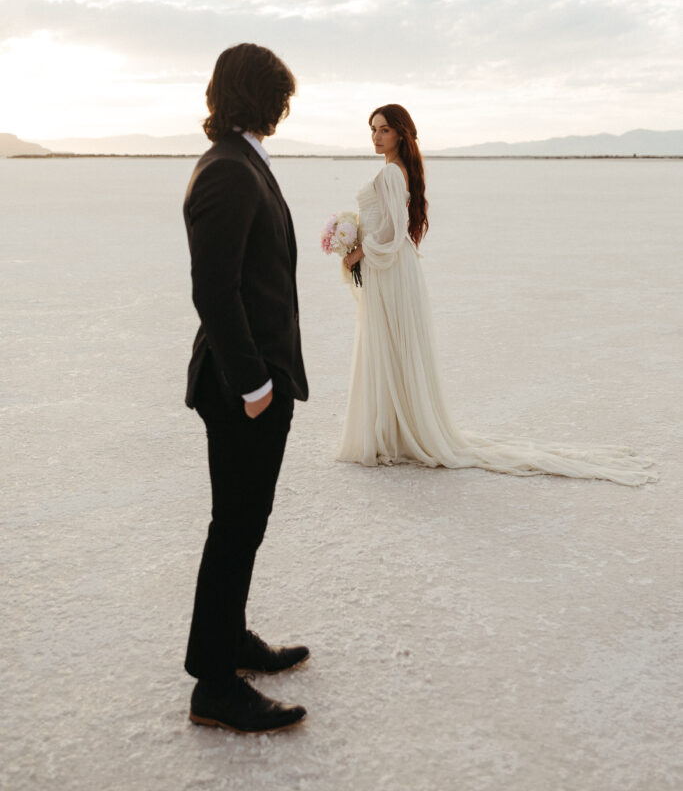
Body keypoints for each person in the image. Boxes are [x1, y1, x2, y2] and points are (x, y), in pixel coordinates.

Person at [339, 103, 654, 486]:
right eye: (372, 129)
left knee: (387, 345)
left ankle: (394, 432)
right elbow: (393, 230)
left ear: (401, 134)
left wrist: (356, 251)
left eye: (383, 129)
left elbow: (391, 230)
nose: (375, 136)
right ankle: (395, 429)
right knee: (389, 347)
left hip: (389, 270)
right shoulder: (397, 170)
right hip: (395, 269)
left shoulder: (391, 171)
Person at [183, 43, 310, 733]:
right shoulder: (227, 171)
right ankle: (213, 683)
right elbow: (214, 289)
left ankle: (229, 641)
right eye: (279, 94)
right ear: (256, 96)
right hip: (242, 386)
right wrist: (254, 382)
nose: (285, 107)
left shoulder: (242, 160)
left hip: (258, 379)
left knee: (245, 523)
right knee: (234, 526)